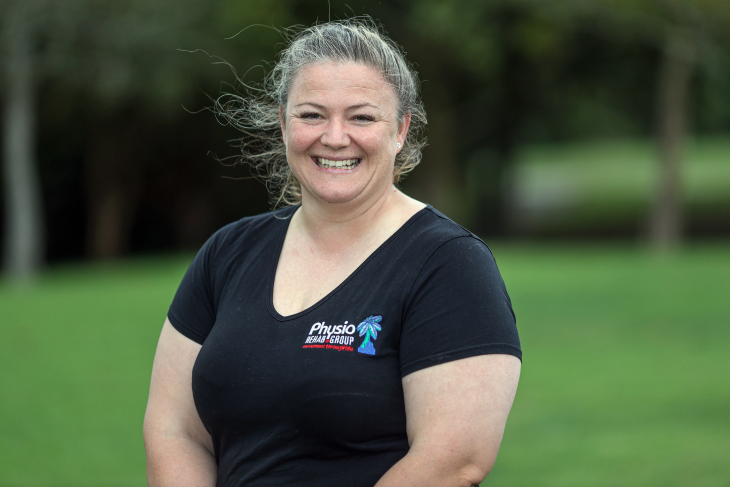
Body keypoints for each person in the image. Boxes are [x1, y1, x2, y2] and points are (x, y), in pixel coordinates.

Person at [143, 18, 521, 487]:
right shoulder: (227, 253)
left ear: (400, 129)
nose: (335, 137)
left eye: (361, 116)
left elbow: (455, 459)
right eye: (312, 115)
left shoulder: (450, 264)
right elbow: (174, 430)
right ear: (283, 123)